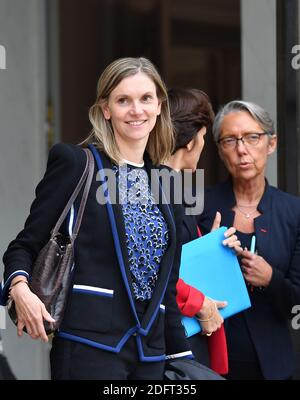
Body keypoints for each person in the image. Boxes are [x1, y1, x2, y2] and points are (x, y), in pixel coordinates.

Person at [0, 57, 193, 380]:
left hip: (152, 353)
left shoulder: (167, 183)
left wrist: (184, 360)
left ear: (159, 106)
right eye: (123, 100)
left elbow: (167, 290)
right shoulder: (77, 163)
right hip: (88, 347)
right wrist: (19, 289)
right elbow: (25, 245)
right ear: (106, 109)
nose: (136, 110)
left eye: (145, 98)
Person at [197, 100, 300, 380]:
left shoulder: (293, 212)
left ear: (271, 143)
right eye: (230, 140)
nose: (242, 149)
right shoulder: (200, 207)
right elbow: (177, 283)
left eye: (252, 137)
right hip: (211, 358)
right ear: (219, 150)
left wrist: (270, 278)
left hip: (272, 363)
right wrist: (206, 255)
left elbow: (296, 299)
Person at [164, 88, 242, 374]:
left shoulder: (170, 187)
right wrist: (199, 303)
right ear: (192, 139)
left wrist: (209, 247)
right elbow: (153, 270)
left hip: (186, 333)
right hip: (175, 340)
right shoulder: (157, 189)